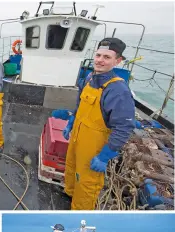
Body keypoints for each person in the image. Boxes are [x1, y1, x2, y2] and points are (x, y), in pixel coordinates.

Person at [53, 38, 135, 210]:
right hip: (77, 136)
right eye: (98, 55)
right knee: (71, 167)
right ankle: (69, 194)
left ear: (117, 61)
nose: (99, 60)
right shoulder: (89, 77)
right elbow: (80, 104)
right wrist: (72, 121)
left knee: (87, 182)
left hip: (94, 146)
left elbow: (124, 127)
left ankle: (79, 214)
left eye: (106, 57)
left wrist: (105, 155)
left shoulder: (118, 90)